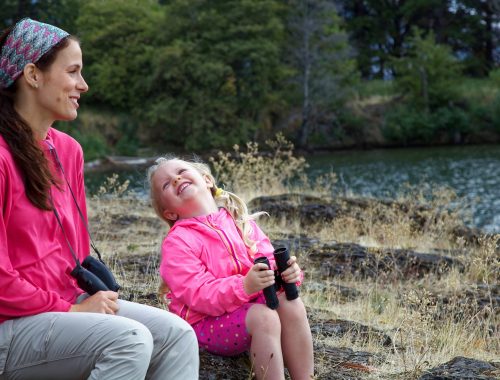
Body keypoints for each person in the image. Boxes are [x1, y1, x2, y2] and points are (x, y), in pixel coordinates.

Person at [0, 18, 199, 379]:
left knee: (178, 335)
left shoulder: (68, 151)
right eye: (73, 72)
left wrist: (81, 303)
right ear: (32, 75)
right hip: (10, 325)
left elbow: (73, 252)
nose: (83, 85)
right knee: (129, 340)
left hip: (63, 309)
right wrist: (70, 310)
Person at [148, 156, 314, 380]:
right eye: (166, 184)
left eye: (181, 171)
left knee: (291, 303)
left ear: (206, 180)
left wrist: (287, 275)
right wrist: (244, 286)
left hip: (245, 306)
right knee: (264, 318)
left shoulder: (239, 220)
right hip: (204, 323)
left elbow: (267, 259)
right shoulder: (178, 242)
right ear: (170, 213)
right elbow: (198, 294)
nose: (176, 179)